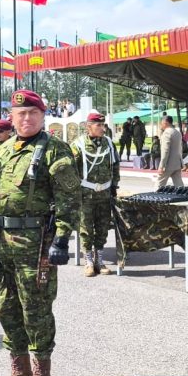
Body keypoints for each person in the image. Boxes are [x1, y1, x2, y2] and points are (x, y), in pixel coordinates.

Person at [0, 89, 80, 376]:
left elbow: (69, 199)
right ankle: (19, 374)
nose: (25, 118)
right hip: (2, 243)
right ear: (12, 116)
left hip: (36, 245)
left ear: (42, 115)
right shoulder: (2, 150)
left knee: (35, 310)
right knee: (6, 308)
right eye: (20, 113)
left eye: (32, 113)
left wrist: (62, 239)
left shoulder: (55, 151)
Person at [70, 112, 120, 277]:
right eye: (98, 125)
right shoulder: (78, 145)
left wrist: (114, 186)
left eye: (103, 125)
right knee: (86, 228)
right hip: (85, 195)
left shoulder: (109, 144)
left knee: (103, 227)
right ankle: (89, 261)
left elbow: (115, 166)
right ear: (88, 126)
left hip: (104, 194)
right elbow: (71, 171)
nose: (102, 128)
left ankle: (100, 260)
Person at [156, 115, 184, 188]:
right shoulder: (177, 132)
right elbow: (180, 148)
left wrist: (162, 166)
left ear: (166, 122)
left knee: (159, 185)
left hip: (168, 164)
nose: (160, 125)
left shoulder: (167, 133)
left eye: (161, 123)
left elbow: (165, 150)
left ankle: (155, 198)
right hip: (177, 163)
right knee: (179, 186)